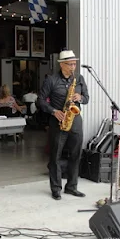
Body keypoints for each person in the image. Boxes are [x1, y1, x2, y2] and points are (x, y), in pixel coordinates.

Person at [37, 50, 89, 200]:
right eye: (70, 64)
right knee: (55, 156)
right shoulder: (51, 80)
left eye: (75, 63)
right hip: (58, 121)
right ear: (62, 65)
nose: (73, 67)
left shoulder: (79, 78)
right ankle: (56, 188)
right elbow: (40, 100)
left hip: (76, 121)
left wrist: (81, 97)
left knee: (75, 155)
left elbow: (87, 98)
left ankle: (72, 187)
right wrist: (54, 111)